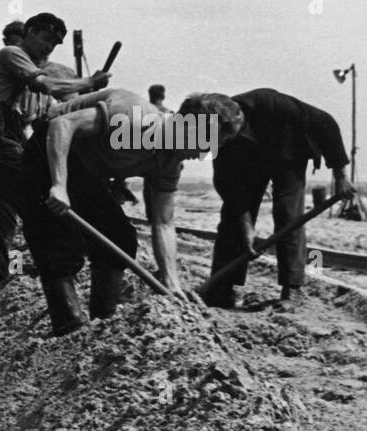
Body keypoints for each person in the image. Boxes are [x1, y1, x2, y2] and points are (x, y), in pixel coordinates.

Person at [20, 88, 214, 335]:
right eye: (204, 144)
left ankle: (105, 317)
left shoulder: (170, 163)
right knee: (59, 244)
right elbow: (62, 124)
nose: (203, 155)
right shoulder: (136, 120)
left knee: (120, 237)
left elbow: (164, 222)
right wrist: (59, 185)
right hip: (49, 149)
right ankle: (69, 324)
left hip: (86, 166)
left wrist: (171, 281)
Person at [0, 13, 111, 292]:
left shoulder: (29, 64)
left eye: (54, 45)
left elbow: (59, 96)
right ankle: (62, 260)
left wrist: (81, 95)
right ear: (29, 32)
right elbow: (48, 85)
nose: (48, 47)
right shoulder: (10, 54)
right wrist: (90, 83)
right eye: (45, 39)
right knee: (37, 194)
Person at [203, 88, 354, 308]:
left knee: (288, 215)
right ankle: (222, 287)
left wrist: (340, 175)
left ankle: (291, 290)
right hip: (249, 165)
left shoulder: (271, 103)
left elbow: (325, 123)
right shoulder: (221, 142)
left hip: (289, 155)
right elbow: (233, 191)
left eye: (224, 135)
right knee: (232, 220)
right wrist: (247, 230)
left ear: (236, 120)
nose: (220, 142)